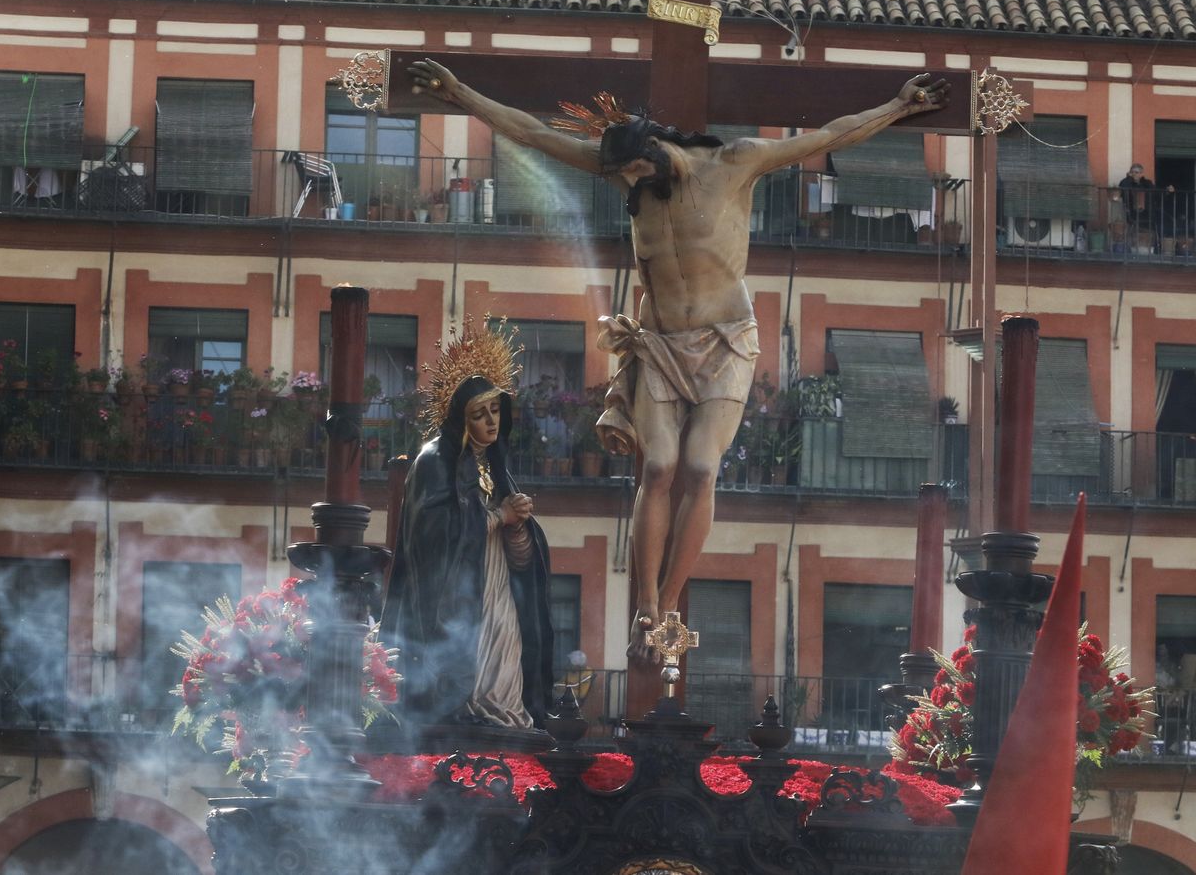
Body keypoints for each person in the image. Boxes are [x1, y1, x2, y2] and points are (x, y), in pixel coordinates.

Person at [409, 58, 948, 663]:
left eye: (638, 168)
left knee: (698, 467)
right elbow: (536, 134)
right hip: (661, 343)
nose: (631, 182)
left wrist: (899, 107)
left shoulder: (735, 163)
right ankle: (646, 608)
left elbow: (826, 136)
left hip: (724, 339)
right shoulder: (627, 178)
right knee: (658, 467)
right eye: (624, 174)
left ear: (657, 149)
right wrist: (459, 94)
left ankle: (666, 603)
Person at [380, 319, 554, 728]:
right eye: (480, 414)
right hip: (454, 592)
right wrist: (497, 517)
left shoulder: (495, 463)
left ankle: (501, 714)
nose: (491, 422)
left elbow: (519, 547)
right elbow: (431, 535)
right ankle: (465, 708)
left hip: (494, 580)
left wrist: (520, 527)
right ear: (461, 418)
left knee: (506, 645)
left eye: (496, 410)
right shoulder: (433, 461)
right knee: (469, 649)